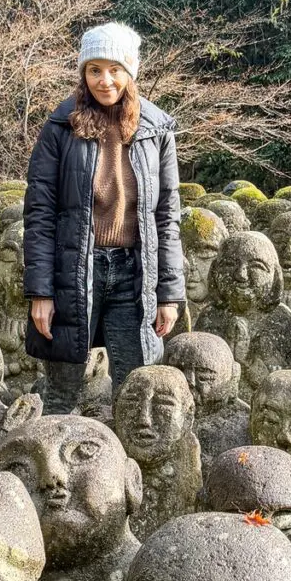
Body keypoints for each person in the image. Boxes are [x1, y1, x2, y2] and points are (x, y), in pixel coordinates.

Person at [24, 22, 185, 393]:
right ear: (83, 74)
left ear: (131, 71)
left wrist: (169, 295)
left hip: (135, 273)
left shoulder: (156, 130)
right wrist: (41, 293)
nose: (105, 80)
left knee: (134, 390)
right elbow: (40, 214)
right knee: (61, 393)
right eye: (94, 70)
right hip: (76, 270)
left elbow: (167, 217)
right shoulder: (59, 127)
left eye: (115, 69)